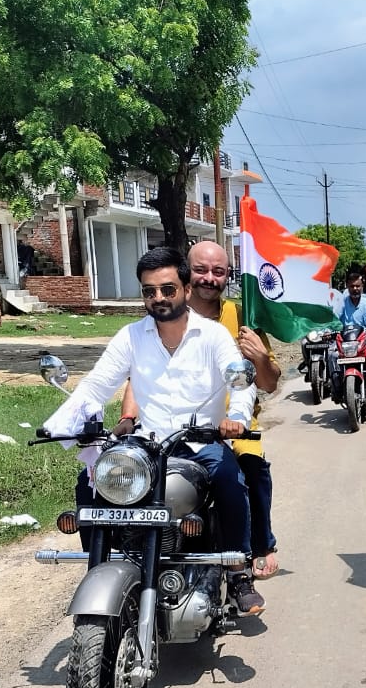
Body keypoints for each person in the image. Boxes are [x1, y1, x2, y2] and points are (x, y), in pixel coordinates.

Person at [43, 245, 266, 615]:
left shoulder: (212, 336)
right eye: (149, 291)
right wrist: (64, 423)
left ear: (186, 290)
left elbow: (239, 382)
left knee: (230, 478)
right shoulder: (131, 336)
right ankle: (100, 565)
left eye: (167, 289)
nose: (158, 298)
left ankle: (238, 569)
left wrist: (237, 418)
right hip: (147, 443)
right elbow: (97, 384)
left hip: (200, 442)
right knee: (91, 482)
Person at [120, 241, 282, 582]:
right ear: (187, 277)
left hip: (230, 427)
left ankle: (256, 549)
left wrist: (260, 357)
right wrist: (126, 419)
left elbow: (269, 384)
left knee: (251, 469)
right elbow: (138, 377)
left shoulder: (244, 318)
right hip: (167, 426)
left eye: (219, 272)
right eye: (201, 270)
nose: (210, 278)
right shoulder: (162, 314)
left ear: (228, 277)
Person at [331, 263, 366, 399]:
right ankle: (336, 387)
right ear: (347, 287)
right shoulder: (342, 303)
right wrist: (329, 330)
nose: (355, 289)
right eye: (352, 286)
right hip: (345, 342)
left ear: (362, 287)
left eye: (357, 286)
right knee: (331, 355)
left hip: (365, 340)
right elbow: (334, 319)